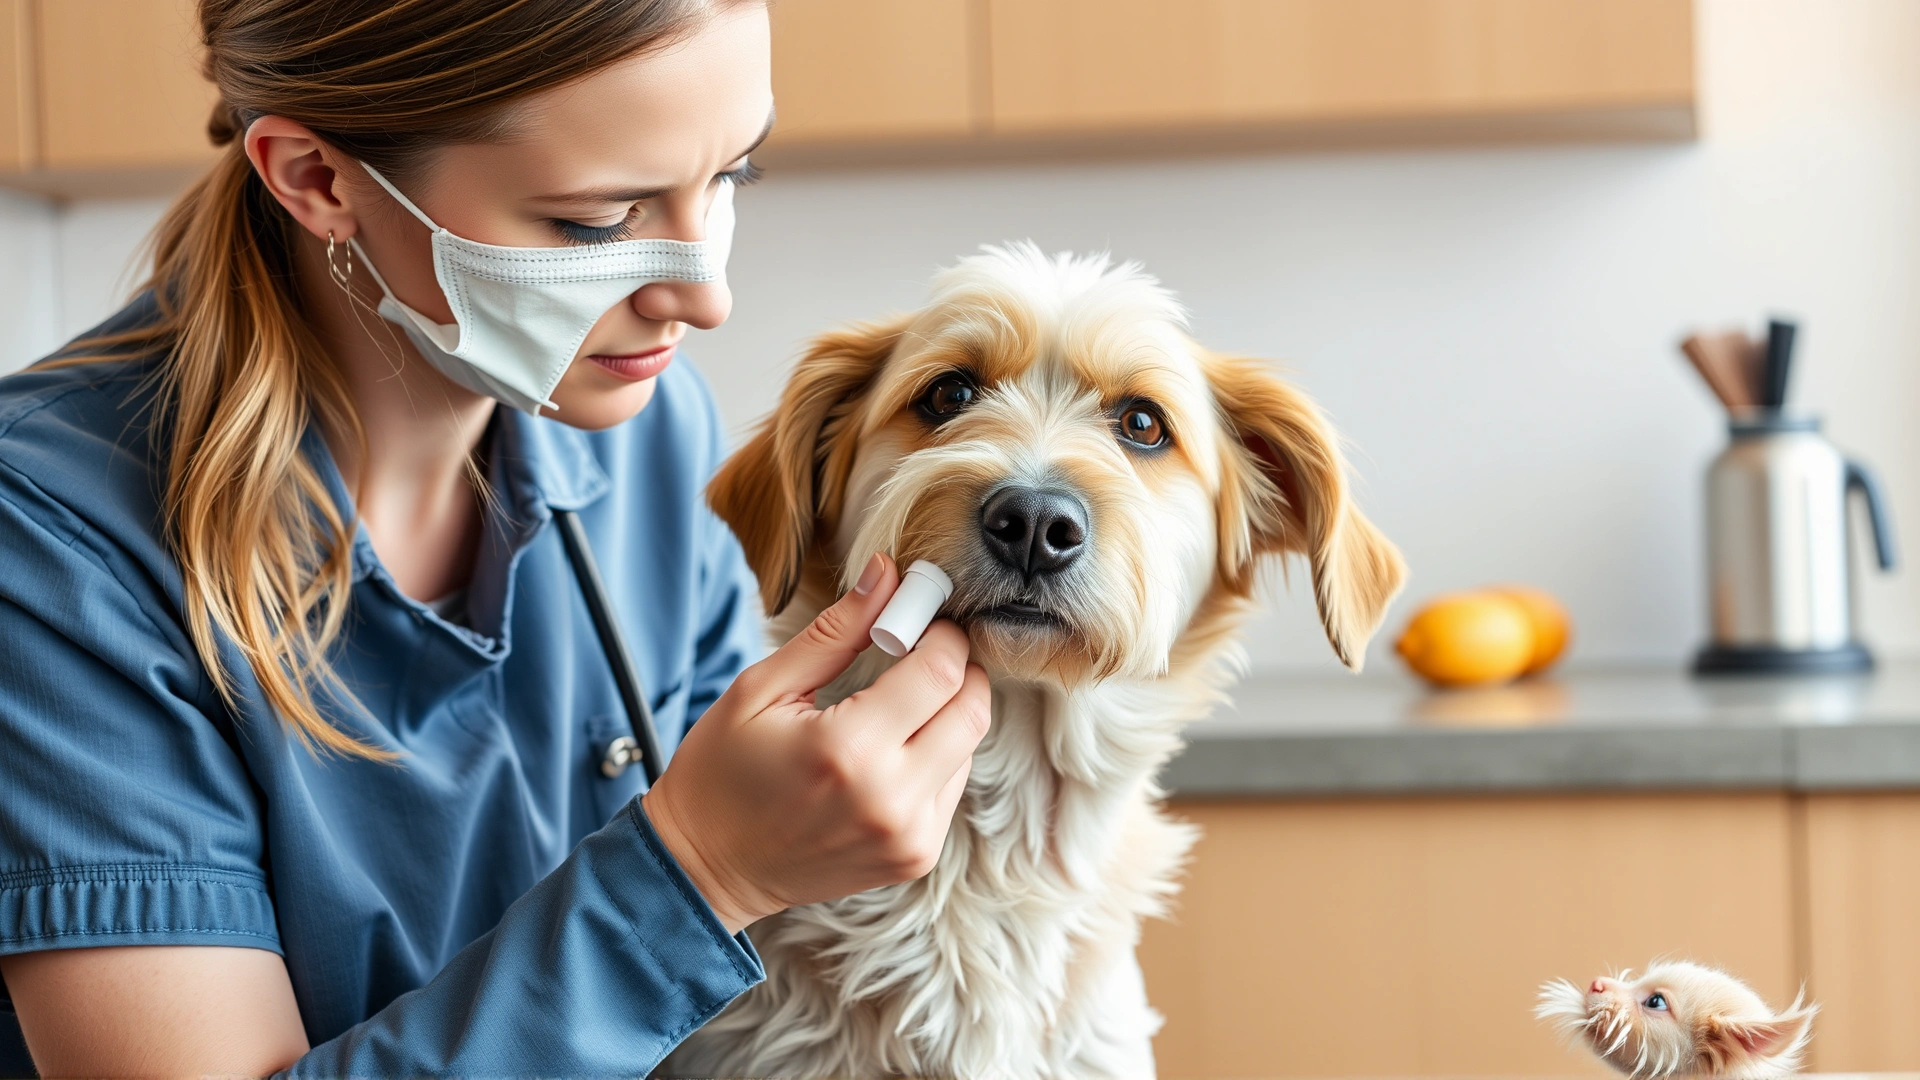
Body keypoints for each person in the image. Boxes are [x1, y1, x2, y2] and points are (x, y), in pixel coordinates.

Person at [0, 1, 991, 1075]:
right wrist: (704, 871)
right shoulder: (49, 542)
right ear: (319, 180)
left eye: (730, 177)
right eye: (597, 221)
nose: (705, 298)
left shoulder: (648, 438)